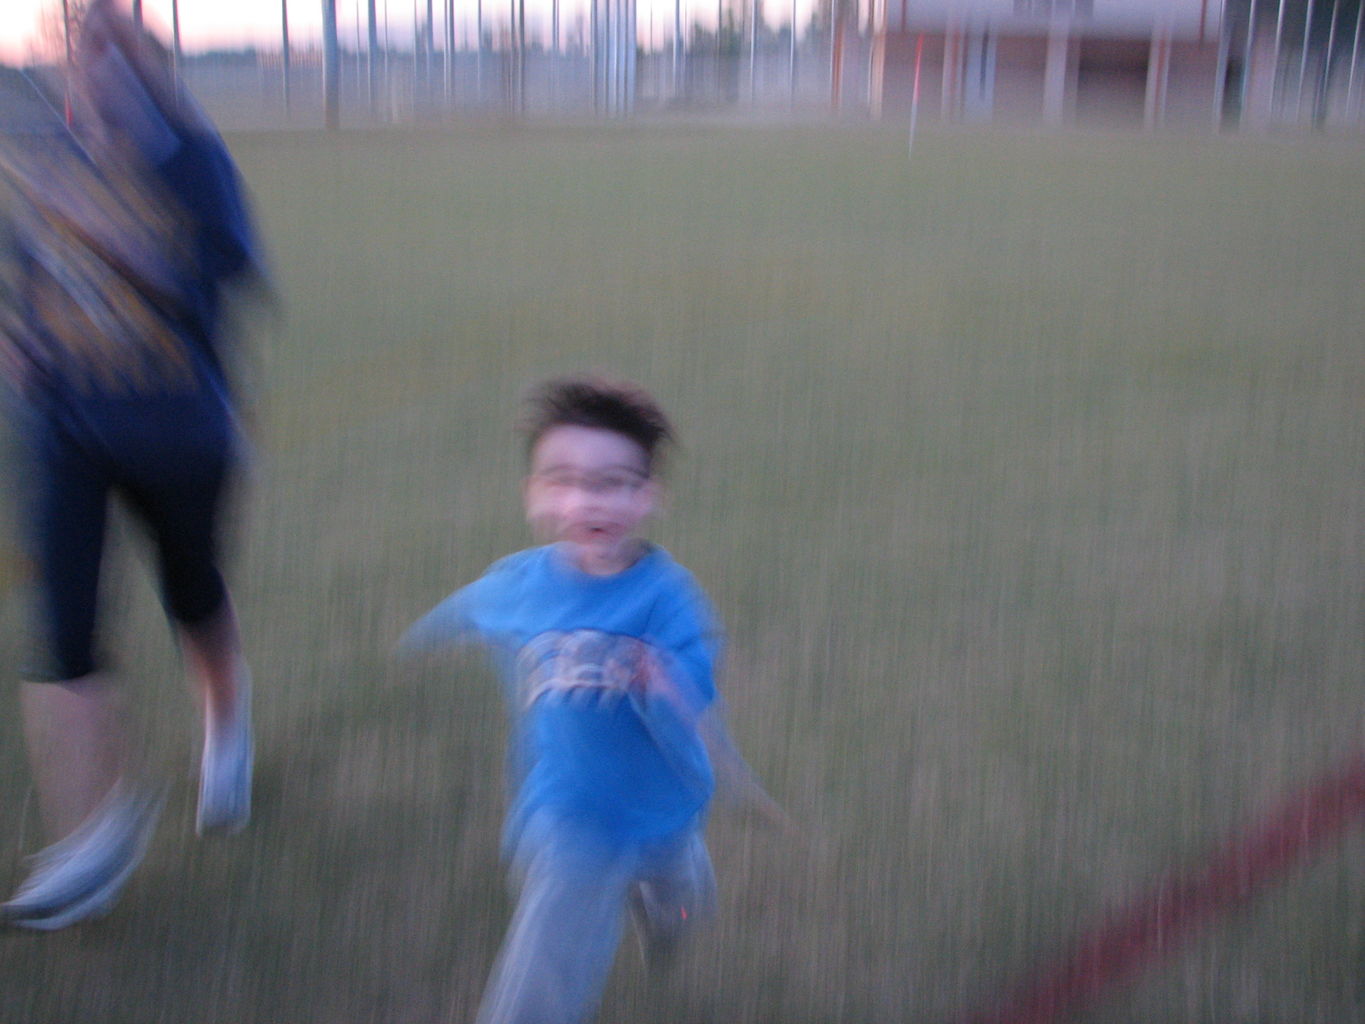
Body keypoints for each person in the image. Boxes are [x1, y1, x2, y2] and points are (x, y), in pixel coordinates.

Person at [0, 0, 266, 930]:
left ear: (145, 61)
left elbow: (231, 273)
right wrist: (15, 340)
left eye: (109, 49)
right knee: (64, 632)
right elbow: (26, 283)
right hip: (68, 432)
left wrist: (125, 240)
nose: (92, 67)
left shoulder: (192, 159)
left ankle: (225, 725)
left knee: (191, 591)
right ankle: (89, 844)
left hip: (180, 433)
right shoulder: (52, 157)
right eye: (77, 50)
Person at [401, 376, 782, 1024]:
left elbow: (694, 701)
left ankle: (669, 916)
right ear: (534, 496)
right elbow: (474, 605)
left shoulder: (669, 599)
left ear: (647, 495)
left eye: (612, 482)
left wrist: (662, 683)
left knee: (682, 897)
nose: (586, 500)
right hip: (571, 811)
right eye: (563, 479)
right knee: (549, 948)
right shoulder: (519, 583)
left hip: (665, 805)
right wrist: (427, 635)